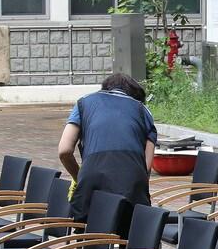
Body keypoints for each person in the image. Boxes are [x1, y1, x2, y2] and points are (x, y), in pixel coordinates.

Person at [58, 72, 157, 221]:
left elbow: (64, 150)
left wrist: (79, 177)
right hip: (132, 185)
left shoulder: (83, 103)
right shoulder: (143, 111)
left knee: (88, 236)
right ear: (136, 96)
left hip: (91, 181)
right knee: (132, 238)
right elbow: (146, 168)